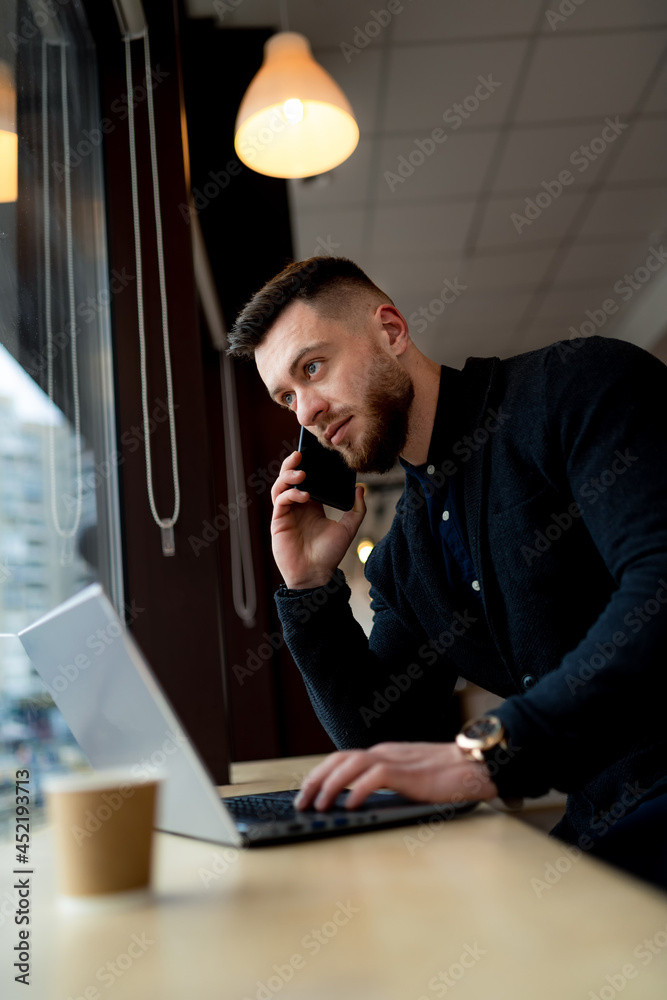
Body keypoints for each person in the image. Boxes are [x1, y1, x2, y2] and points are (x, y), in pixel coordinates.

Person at [227, 256, 667, 889]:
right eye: (287, 396)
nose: (307, 413)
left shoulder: (577, 384)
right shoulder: (406, 555)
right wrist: (310, 586)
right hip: (602, 824)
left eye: (313, 367)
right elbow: (383, 735)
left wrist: (493, 752)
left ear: (391, 330)